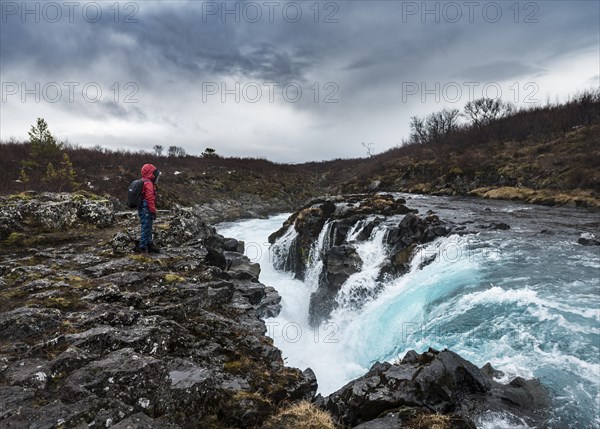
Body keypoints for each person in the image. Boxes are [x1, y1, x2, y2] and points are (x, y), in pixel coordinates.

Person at [136, 163, 161, 254]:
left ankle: (149, 244)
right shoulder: (148, 183)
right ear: (151, 174)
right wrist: (153, 211)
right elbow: (150, 198)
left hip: (143, 207)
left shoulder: (143, 182)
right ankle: (142, 247)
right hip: (146, 208)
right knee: (146, 227)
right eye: (154, 174)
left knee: (148, 226)